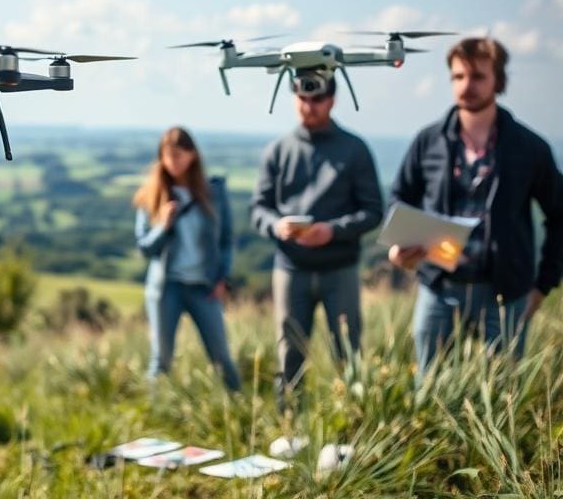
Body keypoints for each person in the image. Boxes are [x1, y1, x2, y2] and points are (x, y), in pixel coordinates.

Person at [388, 37, 563, 377]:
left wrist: (542, 286)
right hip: (438, 288)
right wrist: (399, 247)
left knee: (500, 397)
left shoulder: (529, 148)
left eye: (478, 76)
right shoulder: (428, 141)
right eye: (458, 77)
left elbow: (561, 215)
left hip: (504, 293)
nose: (467, 86)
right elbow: (399, 199)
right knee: (431, 392)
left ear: (498, 80)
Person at [251, 74, 383, 412]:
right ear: (294, 97)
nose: (309, 107)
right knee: (289, 351)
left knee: (348, 350)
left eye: (317, 100)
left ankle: (353, 420)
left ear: (332, 100)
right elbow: (258, 209)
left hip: (340, 269)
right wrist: (275, 225)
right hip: (290, 269)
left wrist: (333, 230)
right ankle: (290, 424)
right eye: (303, 99)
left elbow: (373, 211)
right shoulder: (277, 151)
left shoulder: (354, 149)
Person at [133, 126, 241, 391]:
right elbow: (144, 248)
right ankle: (153, 415)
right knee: (161, 359)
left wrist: (222, 277)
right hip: (165, 287)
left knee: (221, 356)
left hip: (203, 286)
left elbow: (226, 239)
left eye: (179, 156)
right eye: (168, 157)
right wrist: (163, 226)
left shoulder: (213, 193)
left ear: (192, 155)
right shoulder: (152, 196)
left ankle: (240, 411)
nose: (173, 163)